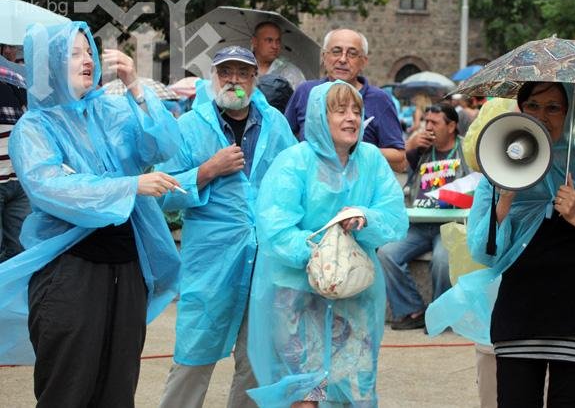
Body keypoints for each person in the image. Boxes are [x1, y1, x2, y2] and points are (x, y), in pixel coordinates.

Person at [426, 81, 575, 408]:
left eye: (553, 107)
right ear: (520, 110)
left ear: (570, 112)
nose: (542, 116)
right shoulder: (498, 166)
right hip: (518, 319)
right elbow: (483, 250)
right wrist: (506, 196)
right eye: (533, 106)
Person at [0, 21, 183, 407]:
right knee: (68, 387)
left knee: (119, 386)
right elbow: (52, 189)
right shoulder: (34, 128)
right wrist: (129, 186)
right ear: (47, 64)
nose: (87, 60)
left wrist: (136, 87)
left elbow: (164, 145)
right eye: (73, 53)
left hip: (127, 267)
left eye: (89, 51)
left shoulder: (108, 111)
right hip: (70, 274)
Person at [246, 81, 408, 407]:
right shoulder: (294, 162)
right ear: (320, 115)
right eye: (340, 110)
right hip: (297, 299)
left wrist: (365, 216)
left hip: (355, 299)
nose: (351, 118)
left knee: (352, 392)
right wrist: (324, 255)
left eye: (356, 111)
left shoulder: (371, 160)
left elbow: (394, 216)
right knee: (304, 393)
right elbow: (275, 228)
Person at [156, 45, 297, 408]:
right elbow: (164, 192)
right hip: (211, 260)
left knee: (256, 359)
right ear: (213, 78)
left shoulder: (276, 125)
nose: (233, 80)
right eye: (225, 72)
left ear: (254, 80)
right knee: (193, 356)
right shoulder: (188, 127)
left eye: (243, 73)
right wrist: (207, 171)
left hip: (266, 259)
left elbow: (296, 183)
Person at [378, 104, 471, 330]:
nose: (428, 127)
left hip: (452, 223)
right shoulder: (420, 150)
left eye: (435, 123)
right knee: (386, 253)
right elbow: (399, 170)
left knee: (443, 259)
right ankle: (413, 310)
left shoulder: (467, 150)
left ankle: (440, 314)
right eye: (426, 122)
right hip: (419, 223)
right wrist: (410, 146)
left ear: (451, 126)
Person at [285, 28, 407, 172]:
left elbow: (400, 160)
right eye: (336, 51)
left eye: (352, 54)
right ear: (324, 56)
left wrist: (354, 150)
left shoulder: (380, 100)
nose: (342, 59)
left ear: (364, 61)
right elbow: (285, 138)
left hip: (359, 189)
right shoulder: (306, 92)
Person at [0, 79, 30, 262]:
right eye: (8, 47)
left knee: (20, 251)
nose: (11, 51)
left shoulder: (15, 82)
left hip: (19, 180)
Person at [251, 21, 306, 90]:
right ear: (255, 41)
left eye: (278, 41)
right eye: (269, 40)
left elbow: (301, 98)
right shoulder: (241, 68)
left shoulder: (291, 72)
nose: (275, 46)